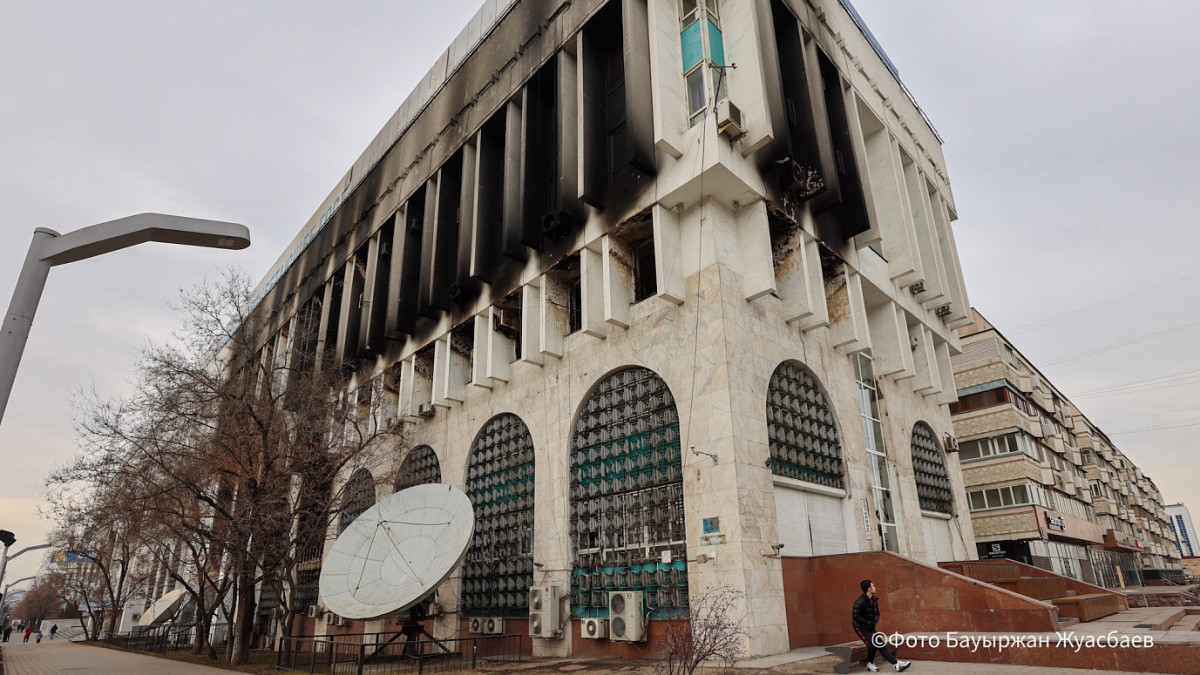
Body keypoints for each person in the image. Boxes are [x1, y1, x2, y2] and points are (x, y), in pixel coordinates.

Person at [852, 579, 911, 672]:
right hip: (860, 627)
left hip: (870, 627)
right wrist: (867, 623)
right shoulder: (860, 601)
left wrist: (873, 622)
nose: (875, 587)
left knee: (879, 643)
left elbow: (877, 614)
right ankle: (894, 664)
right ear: (869, 589)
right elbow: (855, 616)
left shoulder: (874, 599)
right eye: (873, 586)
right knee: (872, 644)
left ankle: (884, 663)